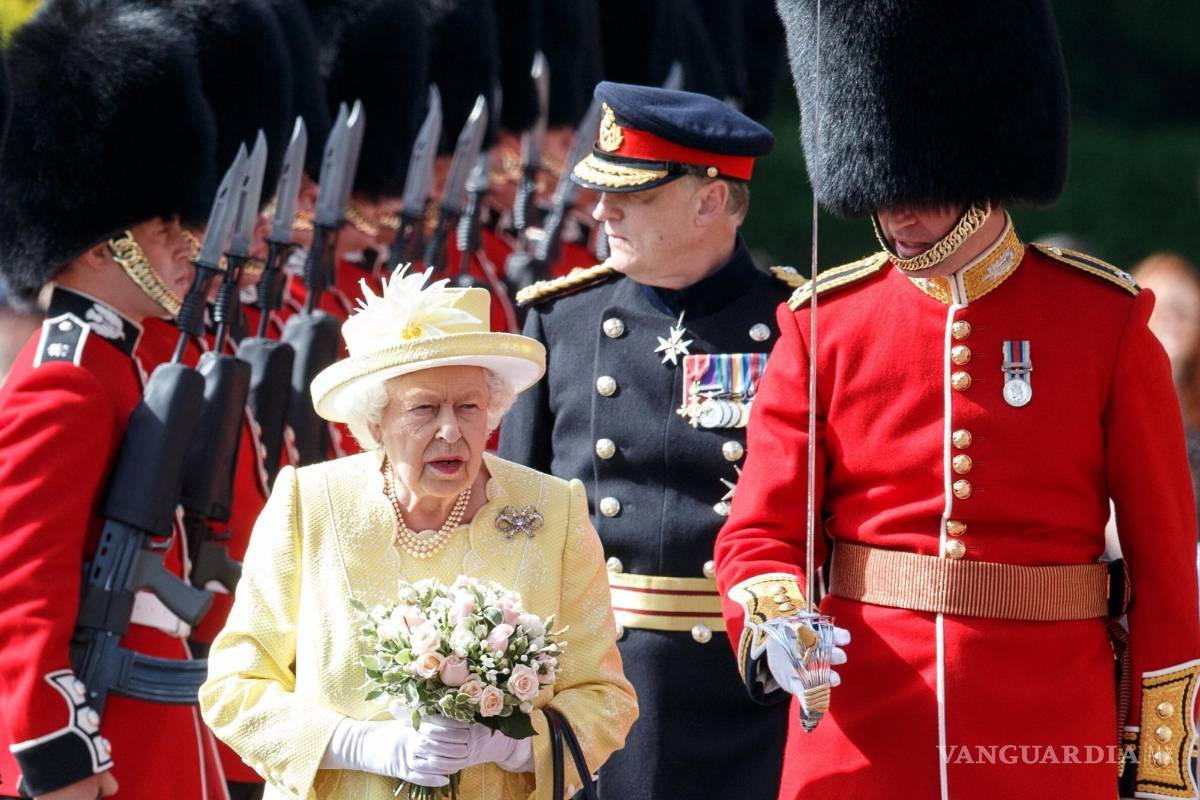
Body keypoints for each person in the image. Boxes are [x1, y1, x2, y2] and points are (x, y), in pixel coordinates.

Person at [714, 2, 1200, 799]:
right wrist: (773, 621)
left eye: (926, 184)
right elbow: (763, 531)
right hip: (862, 723)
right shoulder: (823, 326)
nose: (900, 210)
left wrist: (1160, 761)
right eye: (886, 184)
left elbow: (1163, 568)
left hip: (1046, 727)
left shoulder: (1103, 323)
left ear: (978, 162)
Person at [199, 267, 637, 800]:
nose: (451, 430)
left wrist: (512, 745)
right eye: (424, 408)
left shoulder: (553, 510)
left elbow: (604, 697)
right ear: (376, 420)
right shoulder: (308, 503)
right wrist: (356, 744)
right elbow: (233, 686)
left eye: (469, 407)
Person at [498, 81, 793, 800]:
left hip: (745, 696)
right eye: (601, 190)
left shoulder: (800, 325)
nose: (602, 210)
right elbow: (511, 518)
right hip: (592, 685)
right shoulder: (560, 319)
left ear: (710, 199)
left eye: (633, 194)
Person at [0, 1, 226, 797]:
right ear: (103, 247)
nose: (184, 251)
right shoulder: (65, 378)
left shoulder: (122, 360)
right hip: (103, 737)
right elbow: (21, 590)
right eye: (164, 234)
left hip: (156, 715)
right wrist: (52, 748)